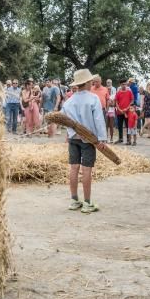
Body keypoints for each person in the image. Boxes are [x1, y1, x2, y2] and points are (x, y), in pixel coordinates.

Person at [62, 68, 109, 214]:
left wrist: (69, 134)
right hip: (88, 139)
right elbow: (98, 120)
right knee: (86, 169)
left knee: (74, 168)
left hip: (73, 138)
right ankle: (87, 202)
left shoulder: (69, 101)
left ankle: (74, 200)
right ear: (87, 82)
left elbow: (65, 121)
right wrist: (101, 139)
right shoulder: (93, 98)